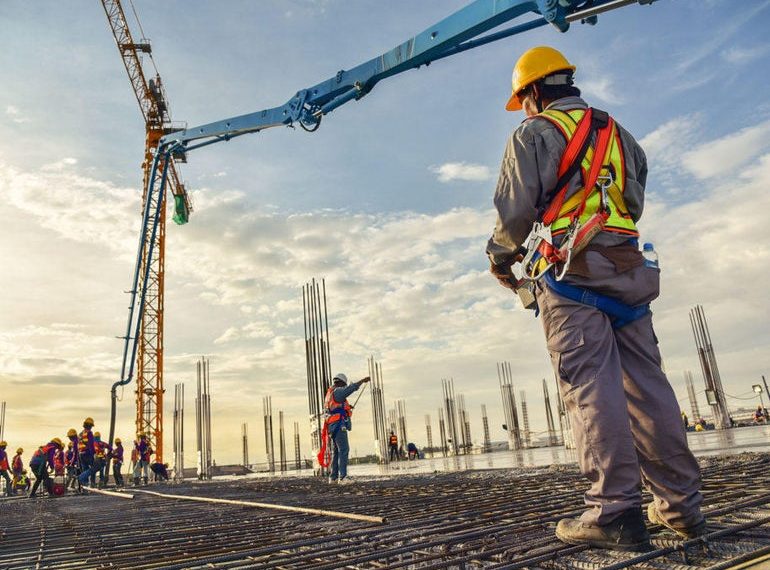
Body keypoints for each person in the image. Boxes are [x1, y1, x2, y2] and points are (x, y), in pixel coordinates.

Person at [487, 46, 704, 551]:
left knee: (590, 388)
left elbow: (515, 212)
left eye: (522, 99)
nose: (522, 108)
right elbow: (631, 202)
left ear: (535, 91)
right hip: (627, 269)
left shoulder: (534, 133)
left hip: (570, 274)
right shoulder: (620, 136)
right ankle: (682, 508)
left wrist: (499, 258)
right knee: (649, 388)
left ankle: (615, 512)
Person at [323, 373, 370, 484]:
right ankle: (343, 477)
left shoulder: (330, 394)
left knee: (337, 452)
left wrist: (347, 408)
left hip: (332, 426)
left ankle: (333, 477)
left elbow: (335, 407)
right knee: (344, 450)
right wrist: (362, 380)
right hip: (338, 425)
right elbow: (350, 389)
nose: (344, 386)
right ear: (340, 382)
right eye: (344, 384)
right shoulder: (338, 391)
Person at [77, 417, 97, 486]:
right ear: (89, 425)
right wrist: (94, 454)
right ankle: (92, 483)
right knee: (93, 468)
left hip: (81, 454)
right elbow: (91, 445)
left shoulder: (80, 434)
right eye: (91, 426)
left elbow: (79, 445)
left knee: (85, 468)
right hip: (88, 453)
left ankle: (85, 485)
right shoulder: (89, 433)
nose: (91, 427)